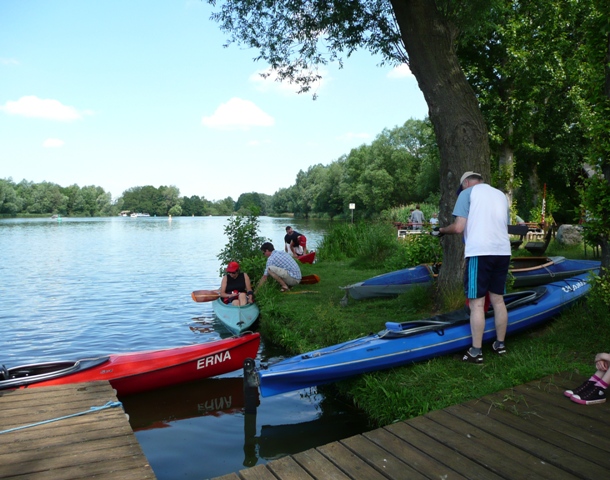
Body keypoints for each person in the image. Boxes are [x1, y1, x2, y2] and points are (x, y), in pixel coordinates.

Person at [436, 171, 511, 364]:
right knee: (498, 300)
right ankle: (500, 344)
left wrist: (442, 231)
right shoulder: (500, 195)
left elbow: (459, 227)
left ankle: (476, 351)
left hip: (480, 252)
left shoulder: (467, 193)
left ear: (467, 182)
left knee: (477, 303)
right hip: (502, 251)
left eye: (462, 186)